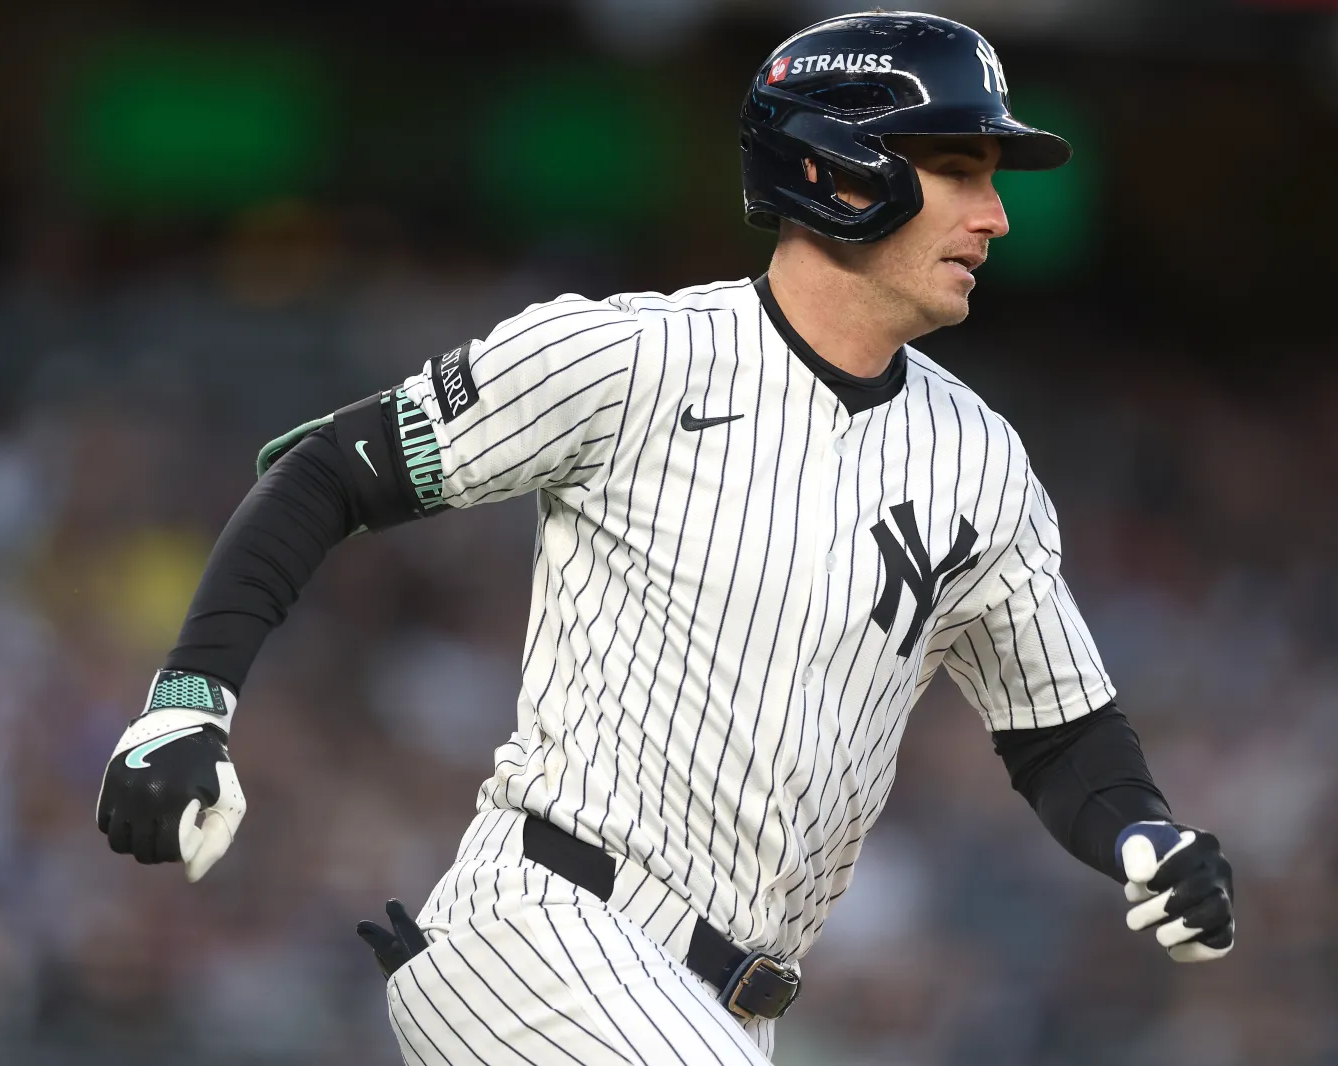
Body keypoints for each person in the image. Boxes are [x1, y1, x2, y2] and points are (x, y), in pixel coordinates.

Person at [95, 13, 1234, 1065]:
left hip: (730, 1008)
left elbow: (1059, 730)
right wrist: (187, 700)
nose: (993, 214)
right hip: (542, 933)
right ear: (837, 168)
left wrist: (1145, 833)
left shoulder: (980, 458)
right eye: (957, 168)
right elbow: (328, 470)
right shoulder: (635, 357)